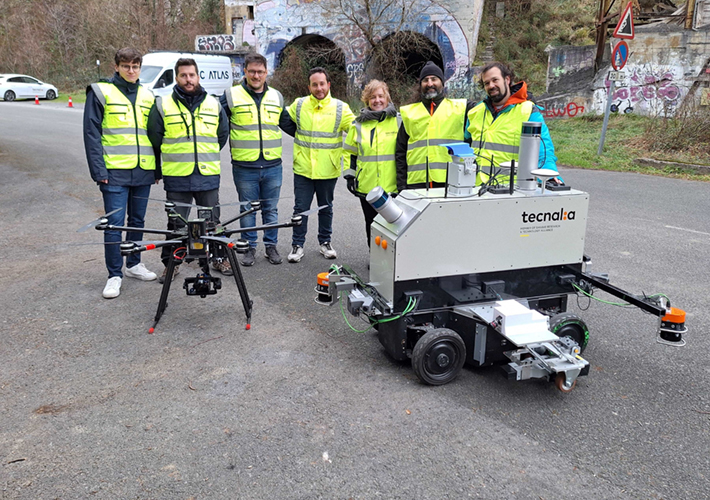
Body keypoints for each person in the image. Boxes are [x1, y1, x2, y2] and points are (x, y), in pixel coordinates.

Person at [83, 47, 158, 299]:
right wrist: (98, 170)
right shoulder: (101, 92)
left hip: (143, 169)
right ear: (116, 66)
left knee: (138, 221)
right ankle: (114, 274)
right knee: (114, 225)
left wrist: (157, 167)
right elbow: (91, 133)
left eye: (135, 66)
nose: (131, 70)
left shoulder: (149, 95)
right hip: (113, 171)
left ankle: (134, 264)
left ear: (140, 67)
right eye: (125, 66)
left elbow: (156, 135)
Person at [147, 58, 230, 283]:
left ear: (198, 76)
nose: (188, 79)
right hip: (177, 176)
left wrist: (204, 153)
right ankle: (172, 265)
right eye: (183, 75)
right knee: (176, 224)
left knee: (213, 221)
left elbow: (222, 135)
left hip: (207, 174)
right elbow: (155, 137)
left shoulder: (213, 104)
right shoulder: (163, 105)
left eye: (192, 75)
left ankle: (218, 258)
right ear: (177, 78)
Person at [220, 53, 296, 267]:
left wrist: (311, 134)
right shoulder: (231, 95)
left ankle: (270, 246)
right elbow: (217, 122)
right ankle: (249, 247)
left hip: (273, 165)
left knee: (270, 209)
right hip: (245, 166)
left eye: (260, 72)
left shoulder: (277, 97)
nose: (256, 75)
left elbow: (287, 124)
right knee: (247, 208)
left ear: (266, 73)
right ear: (245, 71)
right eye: (252, 71)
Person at [286, 67, 356, 263]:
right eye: (314, 84)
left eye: (322, 84)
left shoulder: (340, 108)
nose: (319, 88)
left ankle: (325, 242)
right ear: (309, 86)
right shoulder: (299, 105)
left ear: (328, 85)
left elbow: (356, 130)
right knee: (300, 208)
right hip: (303, 168)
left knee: (326, 208)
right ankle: (297, 245)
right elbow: (285, 120)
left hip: (328, 169)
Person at [466, 61, 562, 186]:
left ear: (507, 80)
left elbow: (543, 149)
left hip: (512, 189)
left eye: (495, 80)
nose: (491, 85)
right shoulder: (475, 112)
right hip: (477, 188)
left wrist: (548, 175)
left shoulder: (528, 111)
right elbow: (465, 146)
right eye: (487, 83)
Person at [395, 61, 472, 192]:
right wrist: (402, 185)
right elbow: (400, 151)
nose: (430, 83)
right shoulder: (409, 113)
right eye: (425, 80)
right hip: (416, 183)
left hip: (451, 181)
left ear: (442, 82)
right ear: (420, 85)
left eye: (434, 79)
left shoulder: (461, 108)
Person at [343, 79, 399, 246]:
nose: (377, 100)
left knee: (393, 225)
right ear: (367, 100)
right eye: (372, 97)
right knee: (372, 225)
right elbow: (349, 152)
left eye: (381, 96)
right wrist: (349, 176)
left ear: (387, 98)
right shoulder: (358, 125)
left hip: (393, 185)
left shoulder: (398, 121)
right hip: (367, 187)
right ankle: (375, 259)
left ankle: (393, 262)